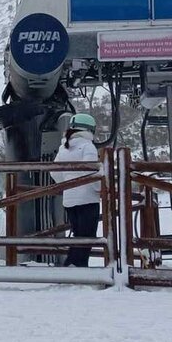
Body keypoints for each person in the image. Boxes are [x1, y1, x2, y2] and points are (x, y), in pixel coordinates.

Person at [51, 113, 101, 267]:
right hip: (88, 199)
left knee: (78, 233)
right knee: (87, 236)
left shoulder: (64, 147)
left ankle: (72, 263)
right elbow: (91, 171)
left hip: (69, 199)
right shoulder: (88, 146)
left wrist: (67, 184)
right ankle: (77, 265)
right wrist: (99, 189)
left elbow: (54, 171)